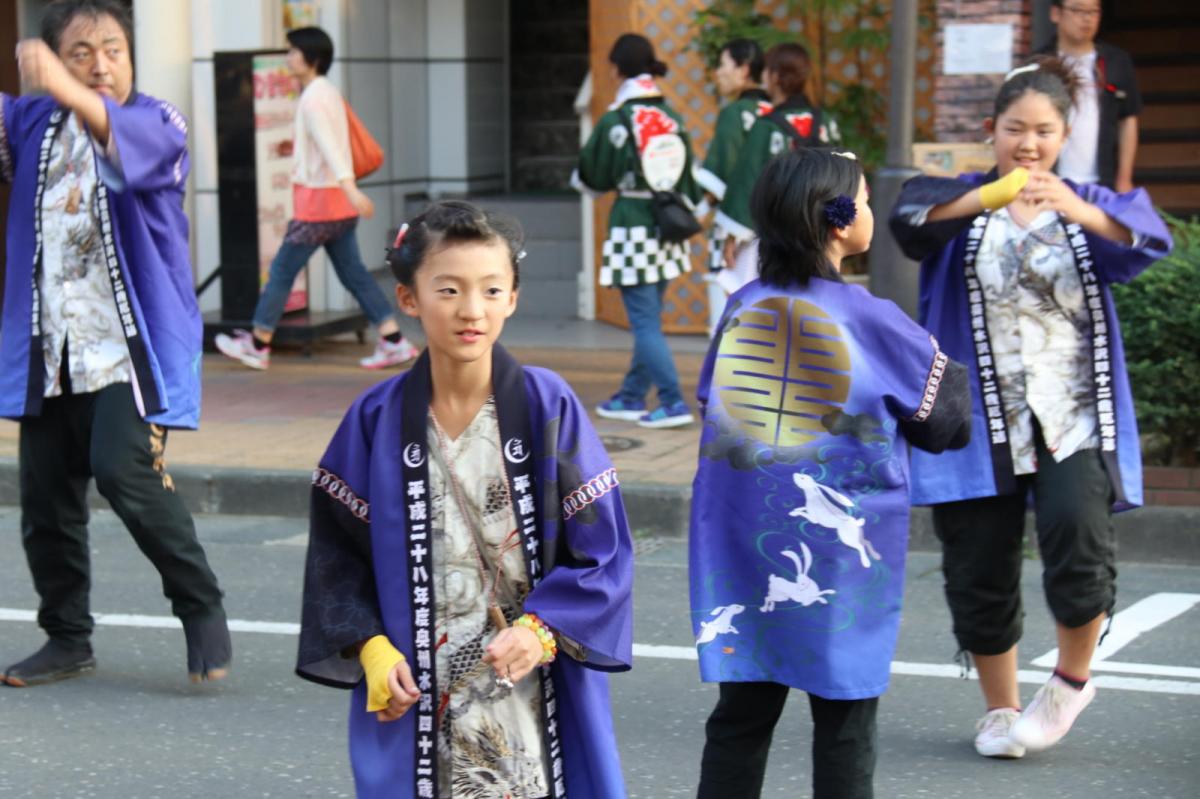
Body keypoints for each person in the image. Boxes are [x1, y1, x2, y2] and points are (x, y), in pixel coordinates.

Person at [295, 200, 635, 798]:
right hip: (419, 695)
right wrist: (371, 648)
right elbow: (336, 557)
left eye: (490, 289)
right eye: (448, 290)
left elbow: (603, 552)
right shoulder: (374, 419)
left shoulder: (544, 405)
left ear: (512, 298)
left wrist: (542, 631)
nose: (470, 310)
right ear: (408, 298)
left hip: (531, 685)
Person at [889, 57, 1172, 759]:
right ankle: (999, 708)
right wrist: (991, 198)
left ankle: (1071, 681)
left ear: (1065, 134)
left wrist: (1077, 208)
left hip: (1071, 415)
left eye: (1044, 131)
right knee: (977, 567)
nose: (1028, 143)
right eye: (1015, 128)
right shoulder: (960, 202)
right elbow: (908, 221)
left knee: (1080, 542)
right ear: (992, 131)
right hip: (978, 423)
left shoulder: (1089, 204)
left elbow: (1147, 242)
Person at [691, 149, 972, 799]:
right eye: (866, 198)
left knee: (741, 718)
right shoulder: (872, 319)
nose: (870, 208)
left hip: (742, 544)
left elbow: (711, 403)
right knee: (845, 720)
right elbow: (946, 423)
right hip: (844, 558)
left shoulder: (741, 307)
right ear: (840, 223)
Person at [0, 0, 230, 686]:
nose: (101, 65)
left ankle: (202, 605)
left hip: (133, 353)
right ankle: (67, 638)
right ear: (49, 58)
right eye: (80, 52)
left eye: (114, 50)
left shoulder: (157, 122)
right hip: (55, 349)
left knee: (122, 469)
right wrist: (44, 92)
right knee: (45, 501)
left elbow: (125, 137)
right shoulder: (33, 123)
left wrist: (63, 82)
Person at [215, 26, 417, 371]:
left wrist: (351, 189)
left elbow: (330, 150)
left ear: (313, 59)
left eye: (294, 52)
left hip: (318, 206)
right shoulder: (327, 92)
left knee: (281, 271)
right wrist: (347, 190)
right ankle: (393, 339)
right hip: (337, 206)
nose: (289, 57)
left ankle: (259, 343)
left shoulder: (311, 99)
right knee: (353, 273)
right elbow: (333, 148)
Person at [572, 32, 701, 429]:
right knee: (650, 318)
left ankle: (672, 401)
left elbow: (591, 176)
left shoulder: (616, 119)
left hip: (633, 223)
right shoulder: (671, 116)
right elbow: (689, 180)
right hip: (667, 224)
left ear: (616, 69)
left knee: (645, 323)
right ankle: (630, 396)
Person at [714, 43, 840, 293]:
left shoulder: (766, 127)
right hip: (818, 237)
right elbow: (845, 176)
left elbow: (747, 182)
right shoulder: (825, 122)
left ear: (774, 77)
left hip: (773, 239)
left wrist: (732, 236)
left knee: (768, 302)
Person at [694, 38, 770, 335]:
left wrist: (694, 213)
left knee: (729, 321)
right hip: (777, 227)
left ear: (743, 69)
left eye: (723, 64)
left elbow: (719, 177)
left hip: (735, 227)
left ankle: (721, 380)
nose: (717, 72)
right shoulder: (777, 114)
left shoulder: (734, 114)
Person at [1038, 0, 1141, 192]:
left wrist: (1124, 178)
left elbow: (1128, 120)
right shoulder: (1040, 63)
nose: (1087, 19)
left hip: (1102, 183)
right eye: (1077, 10)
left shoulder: (1116, 61)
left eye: (1094, 11)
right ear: (1055, 13)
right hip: (1049, 180)